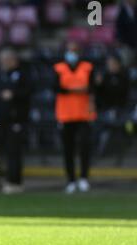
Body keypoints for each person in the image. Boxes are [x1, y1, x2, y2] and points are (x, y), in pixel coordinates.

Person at [53, 42, 96, 194]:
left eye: (75, 50)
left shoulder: (87, 67)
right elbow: (55, 88)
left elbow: (92, 87)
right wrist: (75, 89)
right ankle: (71, 179)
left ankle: (84, 178)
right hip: (65, 114)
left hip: (84, 114)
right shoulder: (59, 68)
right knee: (68, 149)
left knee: (85, 147)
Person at [0, 47, 32, 194]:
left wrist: (13, 94)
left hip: (17, 119)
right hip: (2, 119)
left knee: (15, 152)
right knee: (3, 151)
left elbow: (28, 92)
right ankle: (2, 179)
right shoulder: (1, 75)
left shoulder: (23, 75)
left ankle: (15, 181)